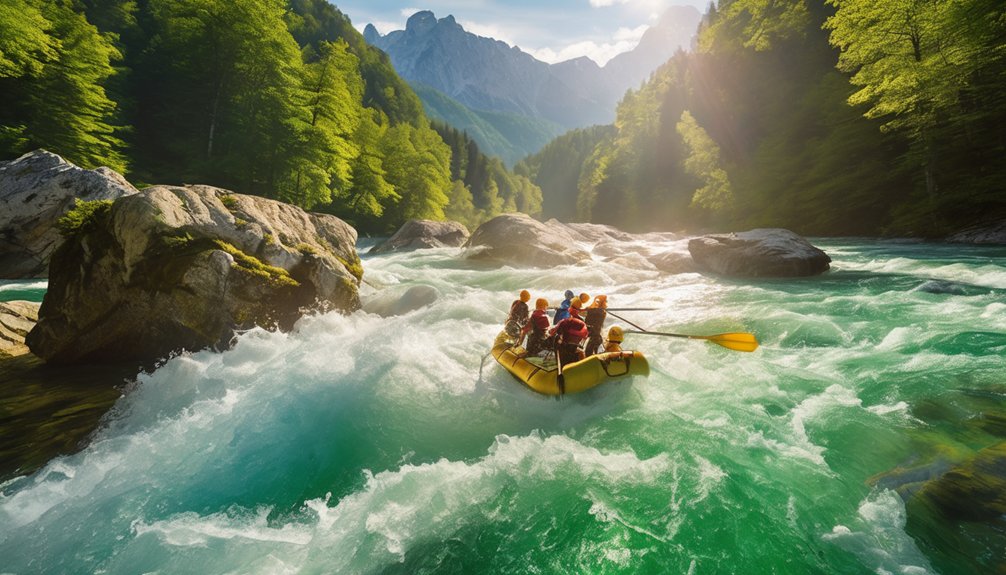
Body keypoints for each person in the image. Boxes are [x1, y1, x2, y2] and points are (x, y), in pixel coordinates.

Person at [549, 297, 588, 365]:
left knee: (556, 341)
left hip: (568, 347)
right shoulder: (579, 320)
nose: (569, 308)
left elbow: (555, 331)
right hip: (573, 346)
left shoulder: (568, 321)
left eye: (571, 307)